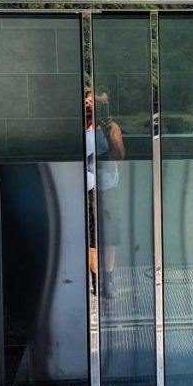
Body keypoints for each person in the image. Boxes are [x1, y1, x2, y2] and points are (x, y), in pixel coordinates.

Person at [85, 85, 125, 299]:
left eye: (99, 105)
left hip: (108, 187)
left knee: (109, 236)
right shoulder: (81, 128)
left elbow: (119, 155)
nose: (92, 108)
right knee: (90, 237)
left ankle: (108, 279)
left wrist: (108, 131)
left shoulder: (111, 127)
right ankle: (94, 279)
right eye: (89, 104)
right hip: (86, 189)